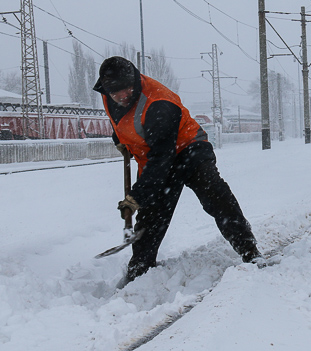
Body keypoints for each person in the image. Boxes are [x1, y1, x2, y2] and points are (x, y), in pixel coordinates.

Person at [93, 56, 261, 282]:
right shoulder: (110, 96)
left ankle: (250, 251)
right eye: (116, 93)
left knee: (215, 195)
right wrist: (119, 139)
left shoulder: (159, 102)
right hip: (155, 157)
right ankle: (139, 271)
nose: (122, 96)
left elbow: (162, 159)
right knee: (151, 214)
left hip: (189, 150)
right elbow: (122, 122)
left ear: (135, 80)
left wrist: (135, 197)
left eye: (127, 90)